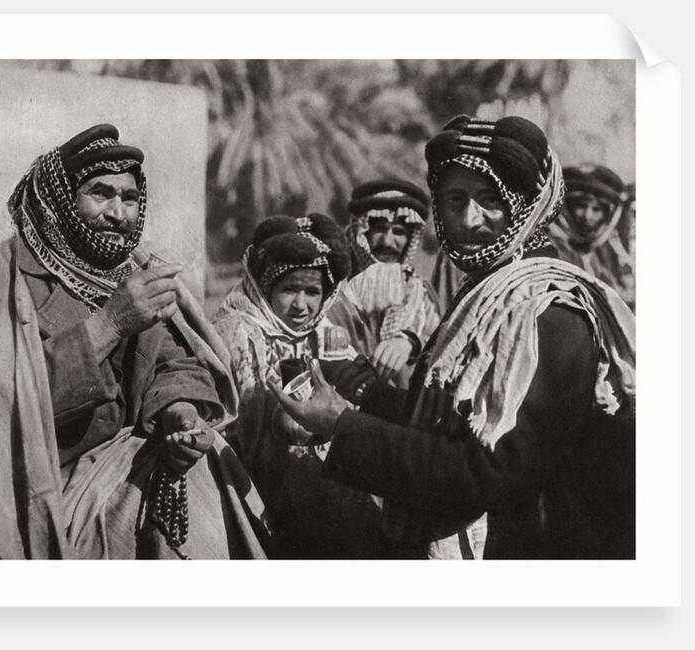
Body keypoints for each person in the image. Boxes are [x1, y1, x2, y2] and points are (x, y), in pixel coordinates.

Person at [270, 115, 636, 560]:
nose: (469, 219)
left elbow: (488, 471)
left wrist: (342, 428)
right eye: (455, 200)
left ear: (528, 206)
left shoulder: (547, 311)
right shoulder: (492, 288)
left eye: (490, 200)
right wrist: (362, 391)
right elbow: (447, 419)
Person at [0, 124, 269, 559]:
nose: (118, 214)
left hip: (117, 474)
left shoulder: (129, 271)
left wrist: (179, 414)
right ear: (61, 200)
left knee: (210, 464)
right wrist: (109, 324)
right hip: (36, 495)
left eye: (129, 199)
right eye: (101, 194)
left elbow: (173, 360)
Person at [212, 214, 393, 558]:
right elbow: (250, 423)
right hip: (255, 469)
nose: (301, 305)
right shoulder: (239, 331)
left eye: (312, 292)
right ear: (265, 289)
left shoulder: (321, 327)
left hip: (316, 461)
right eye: (289, 290)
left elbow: (358, 383)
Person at [329, 180, 441, 386]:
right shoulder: (332, 285)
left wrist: (409, 343)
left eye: (398, 232)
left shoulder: (418, 293)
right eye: (380, 229)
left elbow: (439, 342)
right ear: (362, 232)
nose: (388, 242)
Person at [548, 164, 635, 310]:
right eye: (581, 206)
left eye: (596, 209)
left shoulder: (602, 249)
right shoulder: (552, 245)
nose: (588, 216)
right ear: (567, 207)